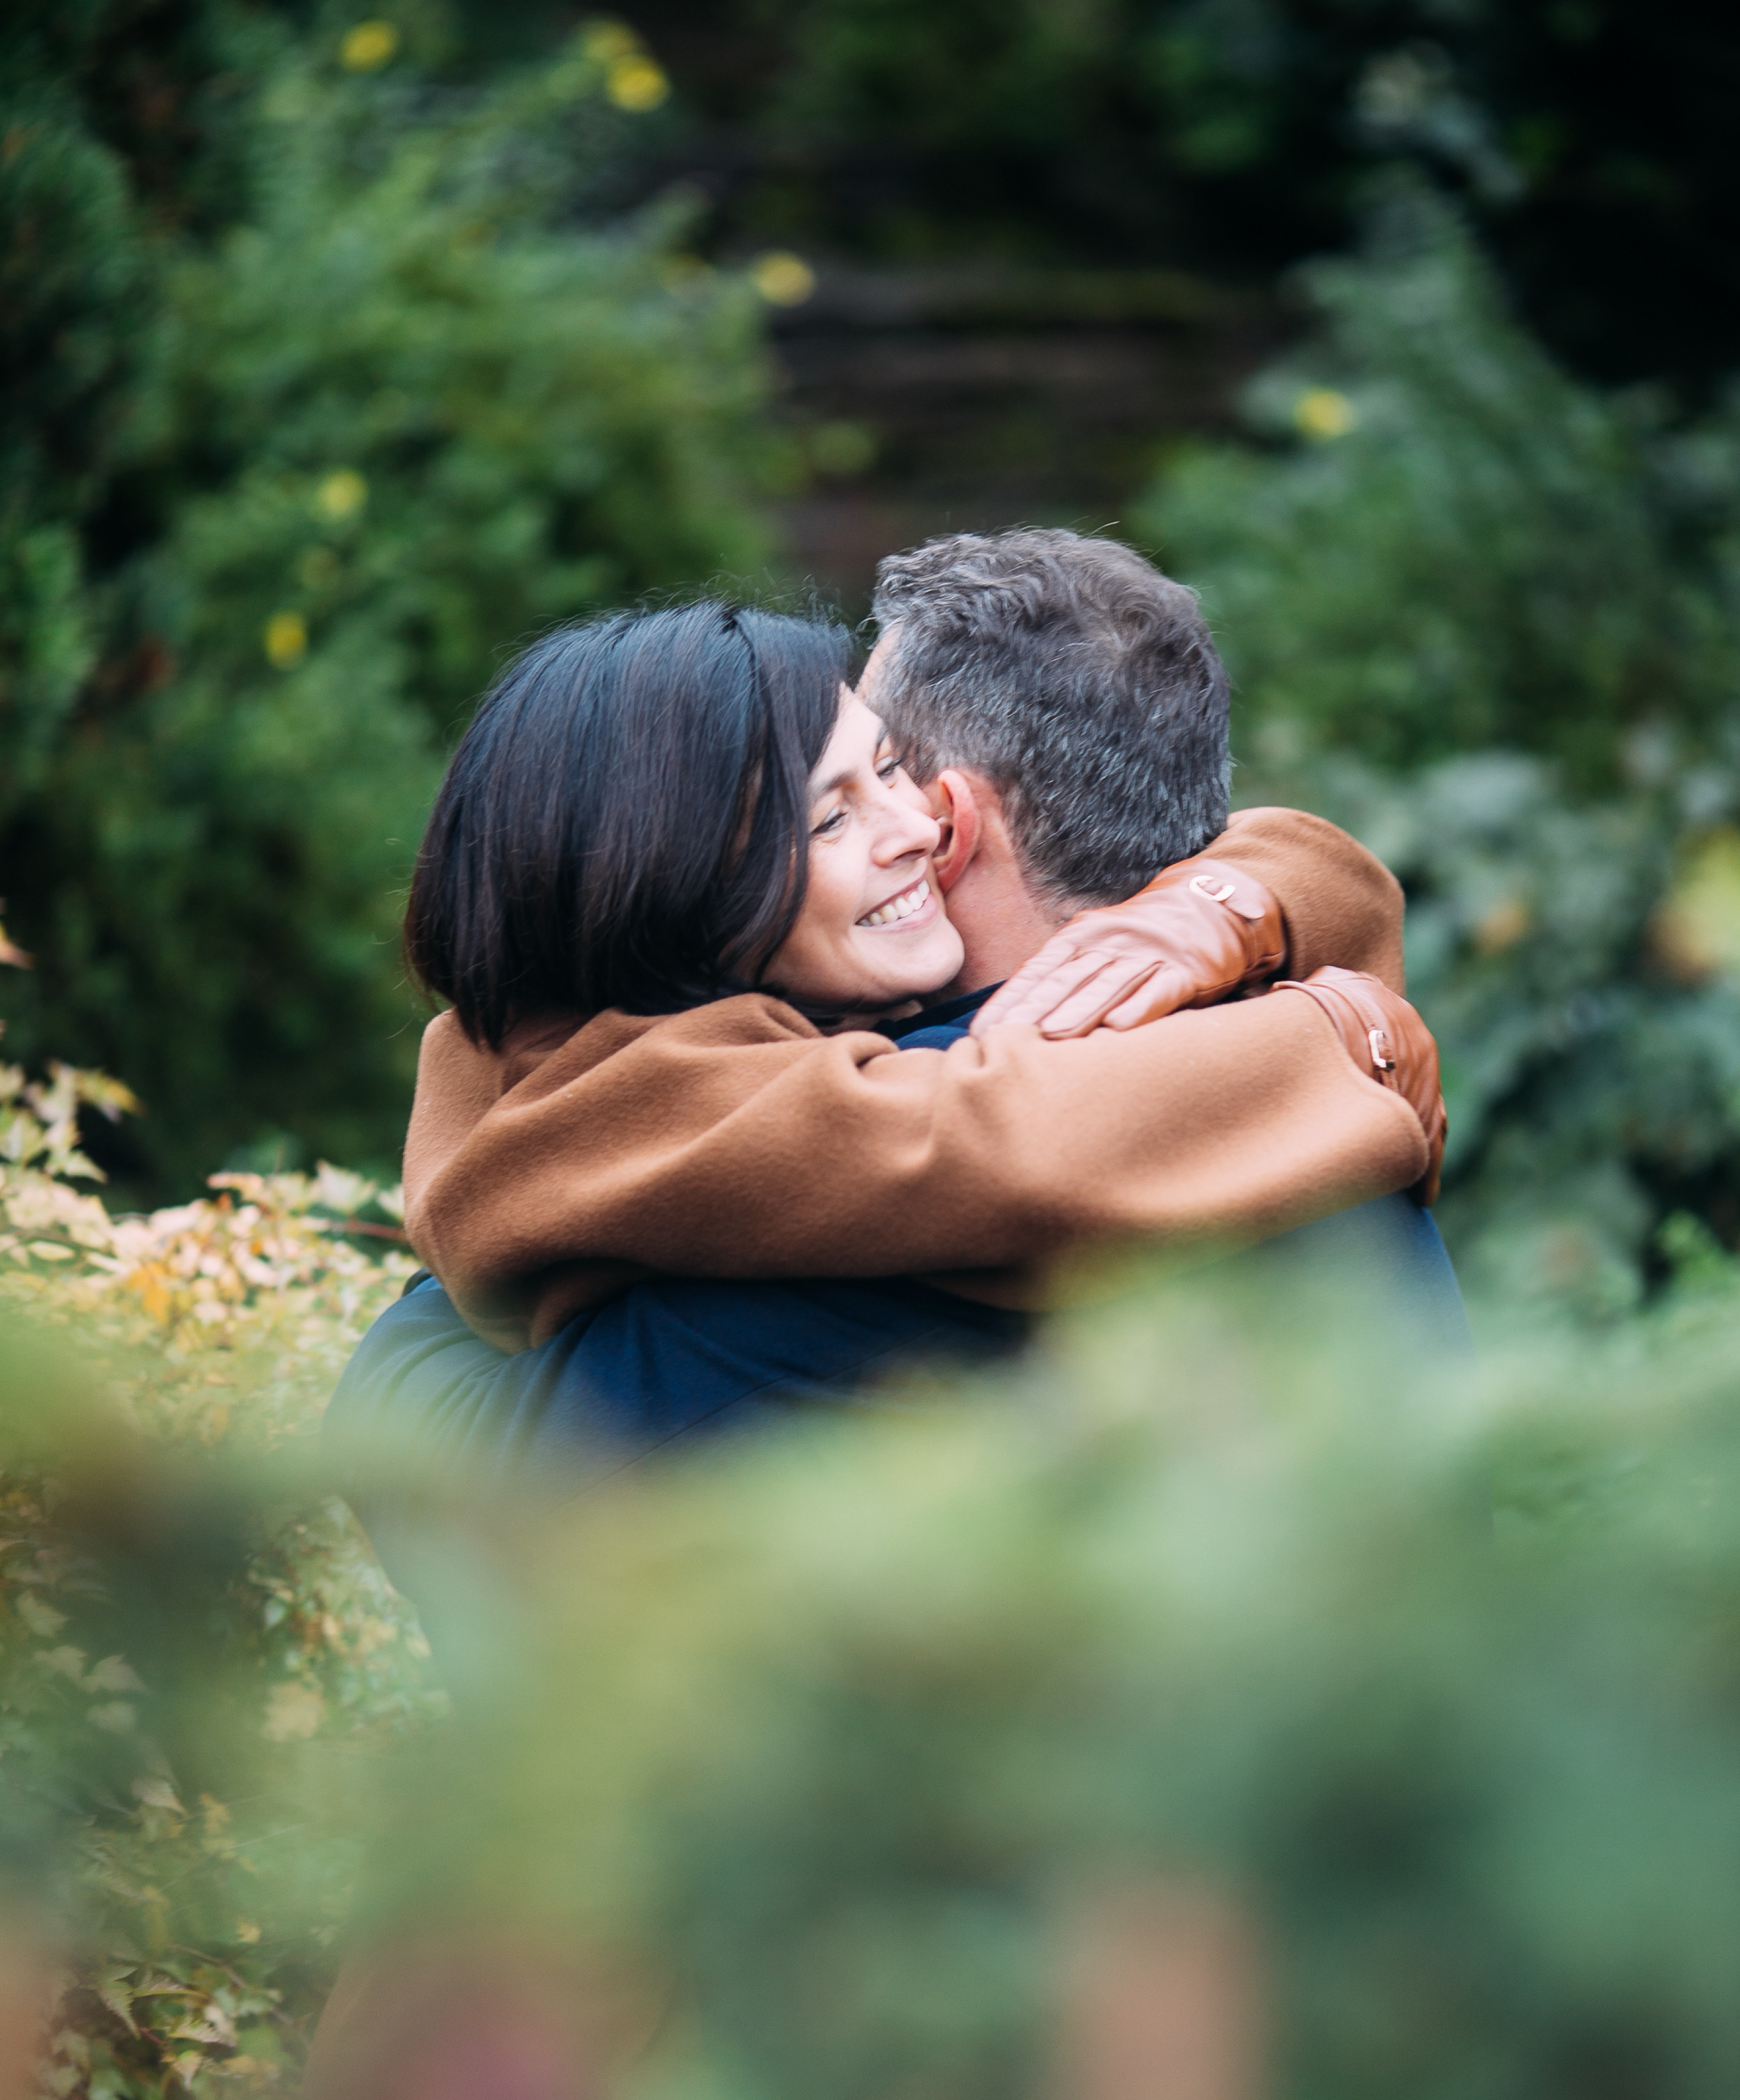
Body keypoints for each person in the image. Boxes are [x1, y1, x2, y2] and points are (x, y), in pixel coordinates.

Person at [328, 540, 1454, 1535]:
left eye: (892, 773)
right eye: (832, 811)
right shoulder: (1272, 1094)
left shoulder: (790, 1243)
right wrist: (1338, 1019)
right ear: (675, 895)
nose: (909, 825)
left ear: (960, 819)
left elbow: (447, 1458)